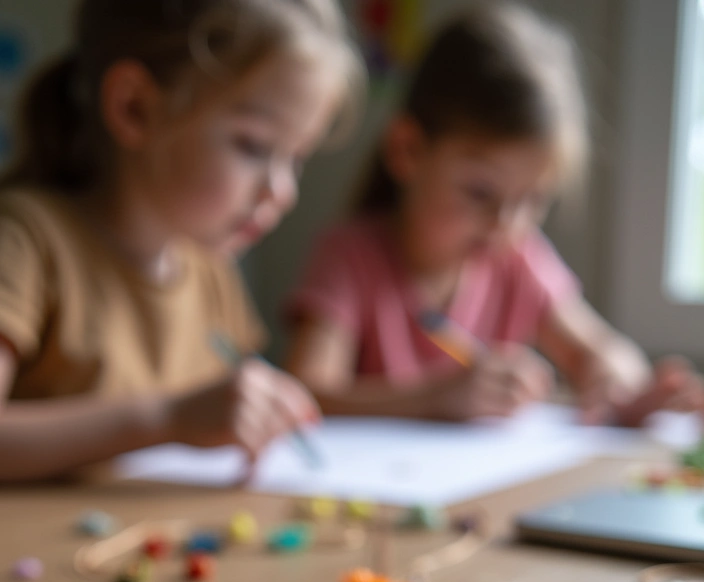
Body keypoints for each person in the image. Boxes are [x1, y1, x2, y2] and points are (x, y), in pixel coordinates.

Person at [286, 1, 704, 424]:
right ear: (408, 149)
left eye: (533, 199)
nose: (506, 224)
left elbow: (605, 350)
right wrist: (435, 397)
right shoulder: (349, 257)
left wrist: (615, 380)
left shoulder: (518, 259)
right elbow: (308, 393)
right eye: (480, 193)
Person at [0, 0, 362, 482]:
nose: (283, 191)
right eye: (253, 146)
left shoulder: (210, 271)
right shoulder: (26, 241)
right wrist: (167, 418)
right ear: (135, 108)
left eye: (297, 158)